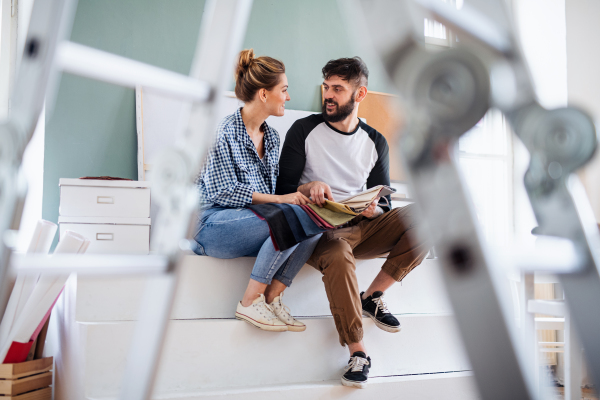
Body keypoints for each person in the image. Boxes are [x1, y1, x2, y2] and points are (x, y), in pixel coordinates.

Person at [276, 57, 429, 387]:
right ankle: (358, 352)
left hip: (361, 225)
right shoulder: (303, 130)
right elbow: (282, 192)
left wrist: (375, 208)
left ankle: (371, 296)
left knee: (429, 216)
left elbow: (384, 201)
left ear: (360, 95)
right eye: (326, 87)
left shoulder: (376, 142)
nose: (328, 95)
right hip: (319, 230)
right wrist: (307, 187)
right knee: (337, 254)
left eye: (338, 89)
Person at [193, 49, 321, 332]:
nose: (288, 97)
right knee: (290, 216)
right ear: (264, 94)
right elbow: (221, 192)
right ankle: (250, 302)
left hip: (251, 222)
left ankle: (272, 296)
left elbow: (273, 193)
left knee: (316, 222)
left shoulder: (272, 137)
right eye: (284, 90)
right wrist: (281, 200)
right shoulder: (224, 131)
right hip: (212, 225)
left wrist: (305, 191)